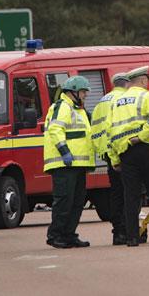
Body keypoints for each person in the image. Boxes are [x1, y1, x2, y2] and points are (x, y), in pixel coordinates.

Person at [106, 65, 149, 246]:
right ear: (141, 81)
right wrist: (139, 137)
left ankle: (132, 237)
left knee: (131, 196)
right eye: (147, 80)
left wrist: (115, 159)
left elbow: (110, 132)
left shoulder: (116, 102)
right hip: (147, 148)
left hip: (126, 153)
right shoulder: (148, 96)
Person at [42, 75, 95, 249]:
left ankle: (69, 235)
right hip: (64, 164)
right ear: (73, 92)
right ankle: (56, 235)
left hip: (77, 165)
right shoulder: (62, 106)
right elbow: (55, 129)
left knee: (77, 201)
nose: (85, 95)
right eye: (83, 92)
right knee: (64, 201)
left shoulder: (77, 109)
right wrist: (64, 151)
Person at [89, 71, 130, 245]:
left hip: (106, 151)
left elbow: (96, 128)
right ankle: (127, 230)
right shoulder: (122, 100)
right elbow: (117, 128)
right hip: (120, 149)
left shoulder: (102, 101)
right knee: (128, 192)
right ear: (127, 84)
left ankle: (118, 231)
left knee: (115, 192)